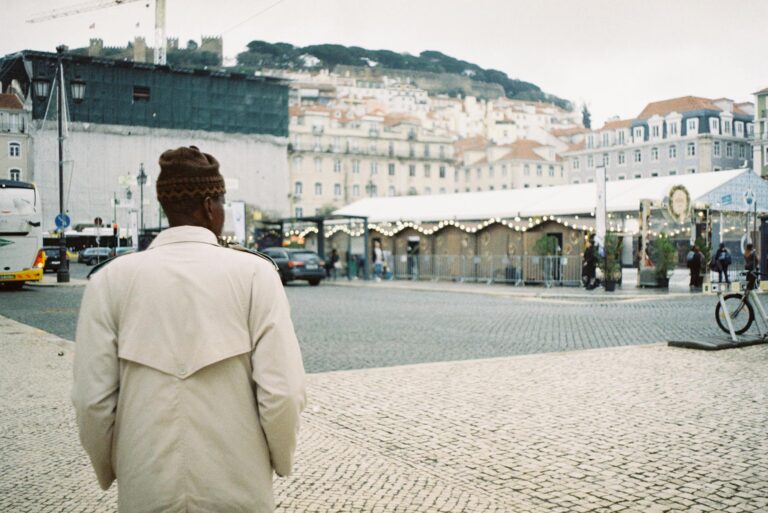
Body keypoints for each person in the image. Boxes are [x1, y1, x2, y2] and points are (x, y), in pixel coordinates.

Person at [72, 146, 306, 513]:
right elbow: (284, 393)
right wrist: (280, 460)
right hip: (238, 486)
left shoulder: (110, 281)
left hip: (147, 486)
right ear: (211, 206)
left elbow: (92, 402)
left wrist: (112, 469)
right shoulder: (255, 275)